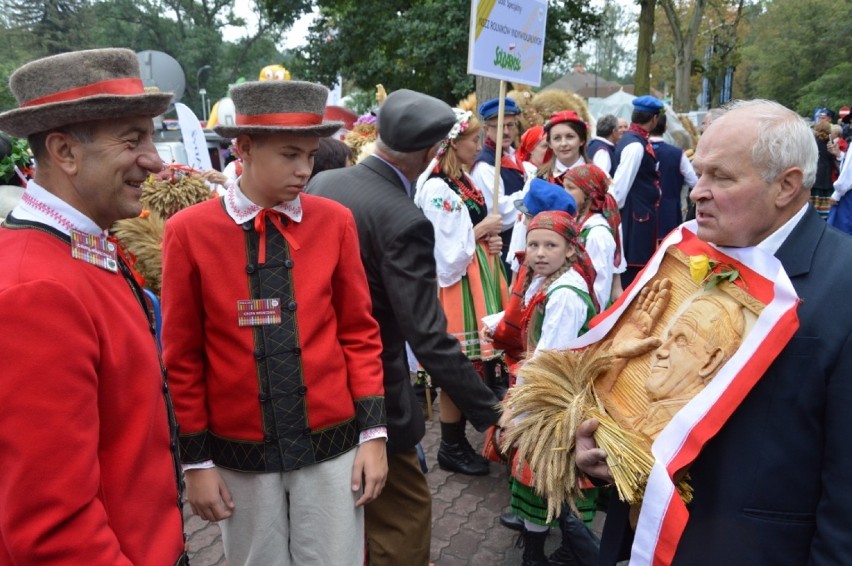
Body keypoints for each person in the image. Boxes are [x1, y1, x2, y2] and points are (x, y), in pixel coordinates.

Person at [578, 99, 852, 564]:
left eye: (721, 177)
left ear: (786, 185)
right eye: (699, 172)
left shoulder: (842, 284)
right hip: (643, 538)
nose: (697, 191)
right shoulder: (686, 254)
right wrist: (605, 448)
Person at [161, 80, 387, 566]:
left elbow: (359, 333)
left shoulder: (335, 221)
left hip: (332, 445)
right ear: (243, 148)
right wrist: (196, 462)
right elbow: (182, 355)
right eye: (289, 154)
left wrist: (374, 437)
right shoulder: (189, 232)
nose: (305, 169)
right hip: (239, 451)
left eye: (310, 154)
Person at [0, 47, 187, 565]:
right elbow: (53, 532)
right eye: (133, 140)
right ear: (64, 152)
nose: (154, 160)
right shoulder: (36, 291)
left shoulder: (78, 248)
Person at [307, 89, 502, 565]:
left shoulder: (325, 183)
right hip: (376, 396)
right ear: (429, 152)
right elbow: (428, 335)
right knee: (404, 520)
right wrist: (492, 411)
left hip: (315, 383)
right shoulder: (403, 218)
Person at [488, 210, 599, 566]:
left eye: (550, 245)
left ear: (569, 250)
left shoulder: (565, 293)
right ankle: (537, 546)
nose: (538, 252)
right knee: (538, 478)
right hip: (543, 392)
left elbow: (549, 360)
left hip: (554, 400)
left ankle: (549, 554)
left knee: (543, 477)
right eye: (532, 244)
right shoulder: (548, 280)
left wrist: (516, 410)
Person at [414, 109, 506, 475]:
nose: (479, 146)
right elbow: (445, 250)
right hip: (458, 285)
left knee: (476, 365)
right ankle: (451, 446)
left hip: (477, 277)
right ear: (452, 143)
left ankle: (459, 441)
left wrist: (491, 238)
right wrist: (483, 229)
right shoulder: (437, 186)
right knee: (459, 367)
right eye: (473, 140)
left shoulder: (461, 180)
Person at [611, 95, 665, 287]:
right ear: (654, 119)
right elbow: (619, 189)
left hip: (639, 215)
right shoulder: (635, 145)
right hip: (635, 219)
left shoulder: (634, 140)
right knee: (632, 275)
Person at [470, 97, 527, 268]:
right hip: (501, 250)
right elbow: (499, 212)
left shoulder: (512, 155)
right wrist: (530, 193)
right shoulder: (485, 165)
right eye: (500, 126)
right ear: (487, 129)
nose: (506, 131)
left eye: (510, 125)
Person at [563, 163, 626, 309]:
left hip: (585, 314)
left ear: (589, 193)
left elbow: (600, 289)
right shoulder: (578, 222)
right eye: (564, 187)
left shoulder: (597, 234)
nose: (565, 192)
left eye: (571, 188)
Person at [650, 113, 698, 237]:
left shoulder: (637, 149)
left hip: (642, 214)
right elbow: (693, 181)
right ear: (666, 127)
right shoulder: (677, 154)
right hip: (669, 212)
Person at [812, 121, 838, 219]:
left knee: (815, 196)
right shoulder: (831, 142)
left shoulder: (814, 141)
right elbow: (833, 158)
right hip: (827, 173)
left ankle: (814, 215)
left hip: (816, 172)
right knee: (826, 195)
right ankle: (825, 216)